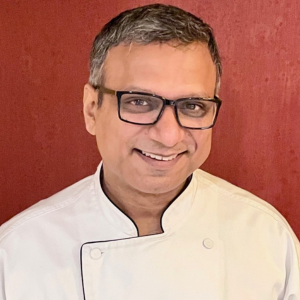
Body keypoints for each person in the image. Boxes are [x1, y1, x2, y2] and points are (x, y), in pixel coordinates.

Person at [0, 3, 299, 300]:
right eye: (139, 102)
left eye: (192, 106)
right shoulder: (16, 254)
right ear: (92, 109)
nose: (169, 136)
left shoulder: (267, 239)